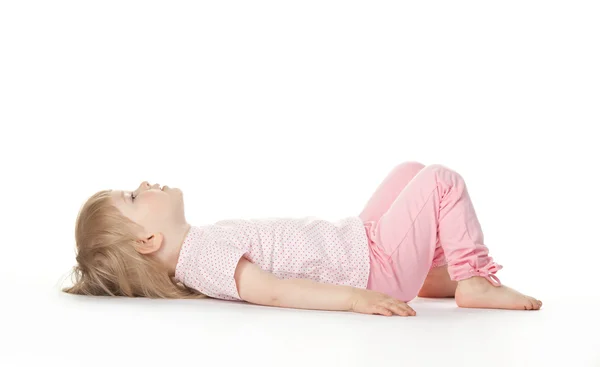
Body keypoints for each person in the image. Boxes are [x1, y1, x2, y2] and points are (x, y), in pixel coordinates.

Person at [63, 161, 542, 316]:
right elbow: (274, 291)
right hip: (371, 267)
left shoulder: (198, 246)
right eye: (132, 195)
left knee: (410, 172)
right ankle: (475, 280)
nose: (145, 185)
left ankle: (437, 276)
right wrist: (356, 299)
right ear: (147, 240)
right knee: (439, 180)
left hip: (360, 243)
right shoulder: (202, 258)